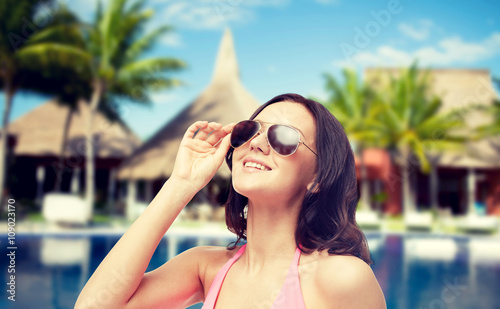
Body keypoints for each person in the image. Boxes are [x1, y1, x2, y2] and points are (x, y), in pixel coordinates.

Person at [75, 93, 386, 309]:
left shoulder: (340, 278)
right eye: (248, 130)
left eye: (284, 138)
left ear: (317, 178)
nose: (257, 143)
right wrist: (181, 184)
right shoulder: (206, 268)